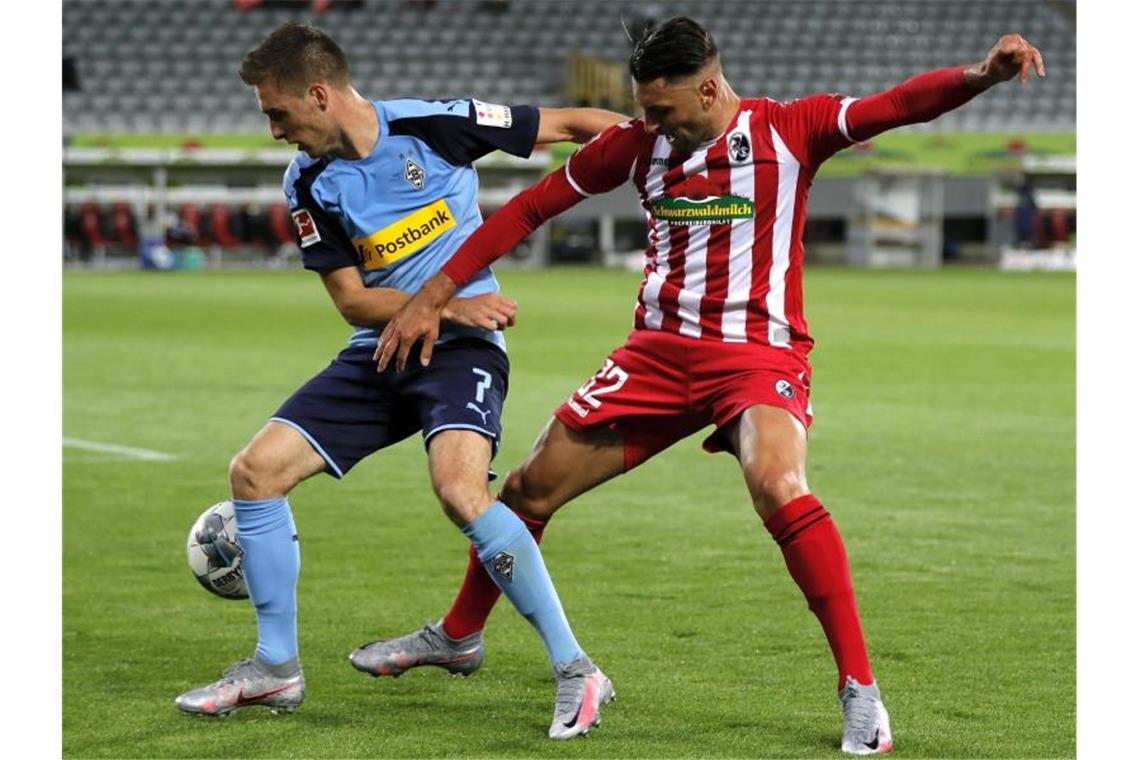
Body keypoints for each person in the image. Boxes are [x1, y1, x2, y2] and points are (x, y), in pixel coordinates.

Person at [371, 18, 1046, 756]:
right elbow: (532, 209)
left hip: (757, 353)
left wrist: (980, 76)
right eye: (644, 109)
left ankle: (861, 693)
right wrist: (434, 293)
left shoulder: (793, 129)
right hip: (655, 358)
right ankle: (459, 635)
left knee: (780, 486)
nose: (649, 122)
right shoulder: (637, 145)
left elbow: (899, 104)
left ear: (708, 86)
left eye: (662, 109)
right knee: (528, 491)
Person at [173, 22, 628, 740]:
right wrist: (447, 302)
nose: (274, 131)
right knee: (254, 472)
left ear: (318, 94)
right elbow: (354, 299)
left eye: (277, 112)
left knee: (459, 490)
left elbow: (573, 123)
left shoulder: (434, 124)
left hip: (464, 351)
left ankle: (577, 668)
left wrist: (663, 151)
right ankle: (275, 668)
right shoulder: (309, 181)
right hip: (382, 348)